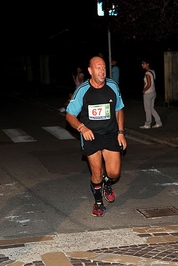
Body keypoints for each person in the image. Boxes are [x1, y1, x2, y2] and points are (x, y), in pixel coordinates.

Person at [65, 56, 127, 217]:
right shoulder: (83, 90)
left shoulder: (113, 86)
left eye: (104, 68)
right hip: (91, 136)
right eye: (98, 68)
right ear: (90, 71)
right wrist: (82, 127)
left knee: (114, 173)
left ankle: (107, 183)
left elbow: (119, 109)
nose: (102, 71)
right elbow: (70, 115)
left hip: (111, 134)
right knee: (97, 172)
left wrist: (121, 132)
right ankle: (98, 203)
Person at [140, 58, 162, 129]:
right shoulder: (152, 72)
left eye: (143, 63)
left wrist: (144, 90)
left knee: (147, 109)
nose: (142, 65)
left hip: (148, 93)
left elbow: (148, 84)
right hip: (153, 92)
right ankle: (158, 122)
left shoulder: (147, 73)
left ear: (147, 64)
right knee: (151, 108)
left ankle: (147, 123)